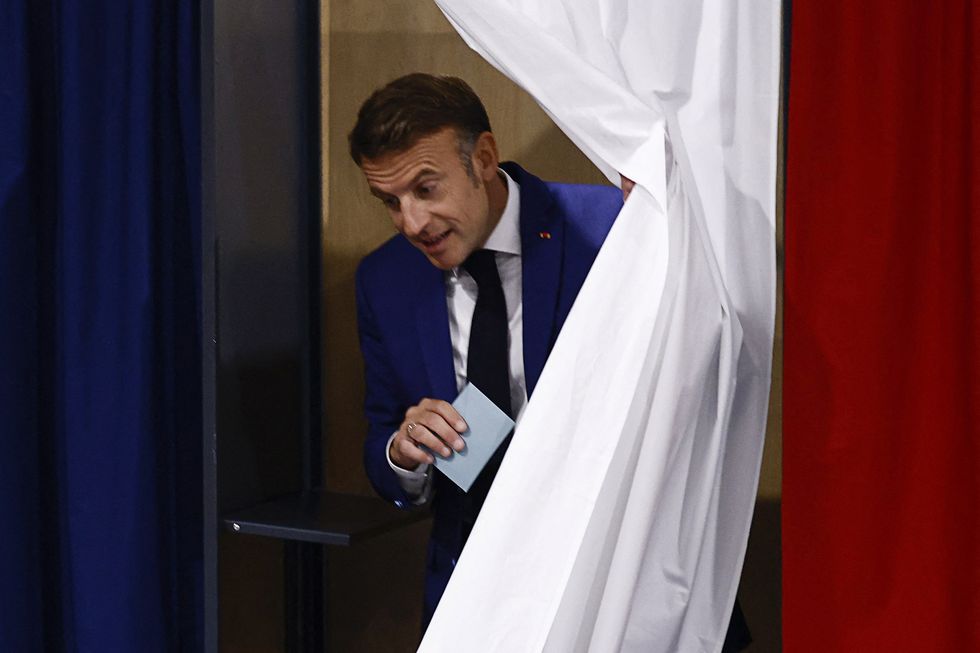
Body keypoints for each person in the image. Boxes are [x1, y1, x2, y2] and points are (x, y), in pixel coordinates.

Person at [350, 72, 750, 651]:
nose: (411, 223)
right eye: (390, 201)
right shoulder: (383, 279)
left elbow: (713, 365)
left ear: (483, 158)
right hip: (482, 590)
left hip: (626, 573)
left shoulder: (616, 228)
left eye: (426, 188)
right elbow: (381, 433)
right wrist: (403, 451)